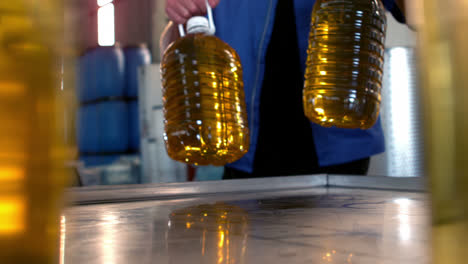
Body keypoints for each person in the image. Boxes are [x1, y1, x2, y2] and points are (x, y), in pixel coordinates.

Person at [161, 0, 406, 179]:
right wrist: (182, 16)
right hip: (243, 150)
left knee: (343, 247)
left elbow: (420, 16)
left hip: (341, 143)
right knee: (247, 247)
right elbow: (174, 47)